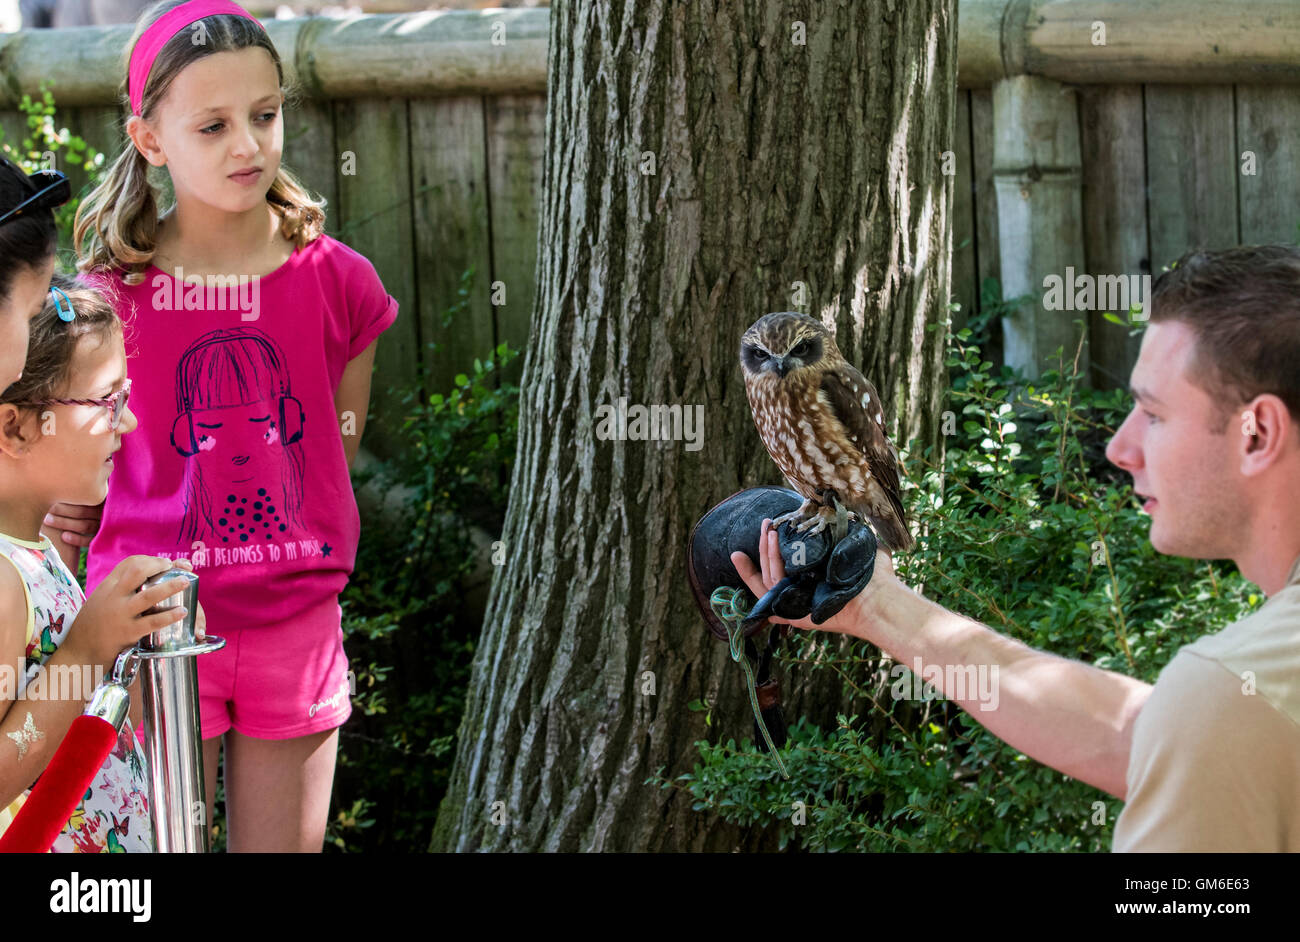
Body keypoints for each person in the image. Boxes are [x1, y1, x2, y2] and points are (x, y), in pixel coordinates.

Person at [732, 243, 1300, 852]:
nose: (1118, 447)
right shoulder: (1255, 694)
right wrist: (879, 607)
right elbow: (1149, 739)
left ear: (1257, 432)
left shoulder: (1232, 693)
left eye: (1154, 414)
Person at [62, 0, 398, 852]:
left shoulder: (341, 282)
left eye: (265, 115)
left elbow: (336, 442)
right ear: (149, 139)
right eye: (212, 126)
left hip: (297, 625)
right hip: (150, 629)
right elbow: (76, 465)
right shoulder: (109, 297)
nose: (248, 146)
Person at [0, 274, 195, 852]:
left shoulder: (34, 549)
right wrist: (87, 649)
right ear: (15, 425)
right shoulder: (4, 580)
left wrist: (135, 642)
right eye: (108, 401)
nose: (128, 422)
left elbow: (67, 713)